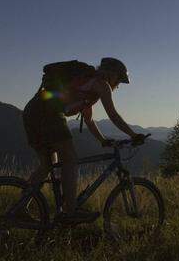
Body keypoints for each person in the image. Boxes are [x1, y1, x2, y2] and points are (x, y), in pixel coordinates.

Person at [22, 57, 145, 222]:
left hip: (33, 111)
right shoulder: (101, 84)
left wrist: (102, 140)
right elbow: (113, 115)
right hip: (48, 112)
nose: (118, 86)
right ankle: (70, 211)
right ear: (112, 75)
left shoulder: (86, 86)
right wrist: (133, 135)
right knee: (70, 158)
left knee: (47, 165)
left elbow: (89, 121)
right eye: (119, 80)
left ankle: (20, 208)